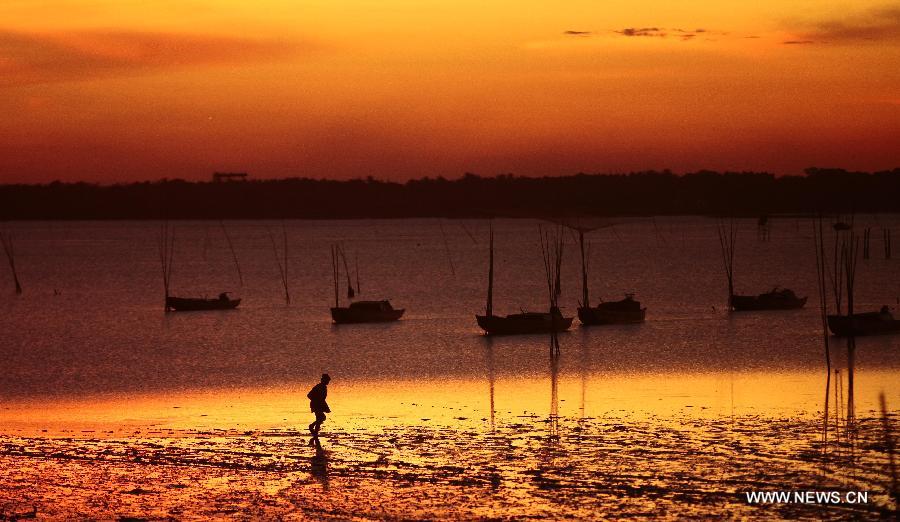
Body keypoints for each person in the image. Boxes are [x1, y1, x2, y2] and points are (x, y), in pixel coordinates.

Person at [307, 374, 331, 446]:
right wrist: (315, 400)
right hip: (316, 405)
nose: (328, 382)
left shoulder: (324, 387)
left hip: (320, 405)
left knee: (320, 418)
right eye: (327, 380)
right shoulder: (318, 387)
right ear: (324, 380)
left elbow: (323, 399)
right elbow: (309, 395)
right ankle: (313, 429)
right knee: (321, 418)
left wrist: (325, 406)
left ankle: (314, 431)